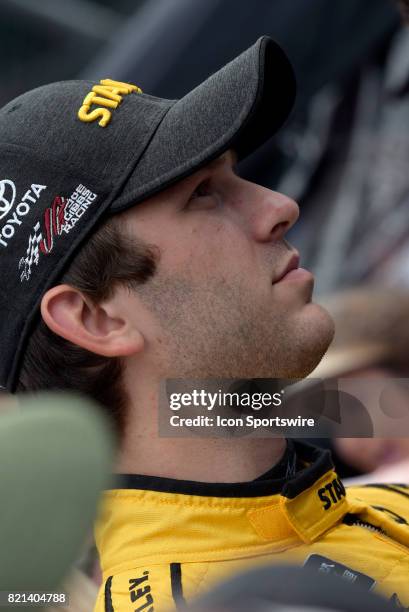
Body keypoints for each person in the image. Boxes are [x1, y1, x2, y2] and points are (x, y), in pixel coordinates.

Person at [0, 38, 408, 611]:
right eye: (204, 195)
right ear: (96, 318)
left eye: (236, 175)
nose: (277, 205)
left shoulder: (376, 503)